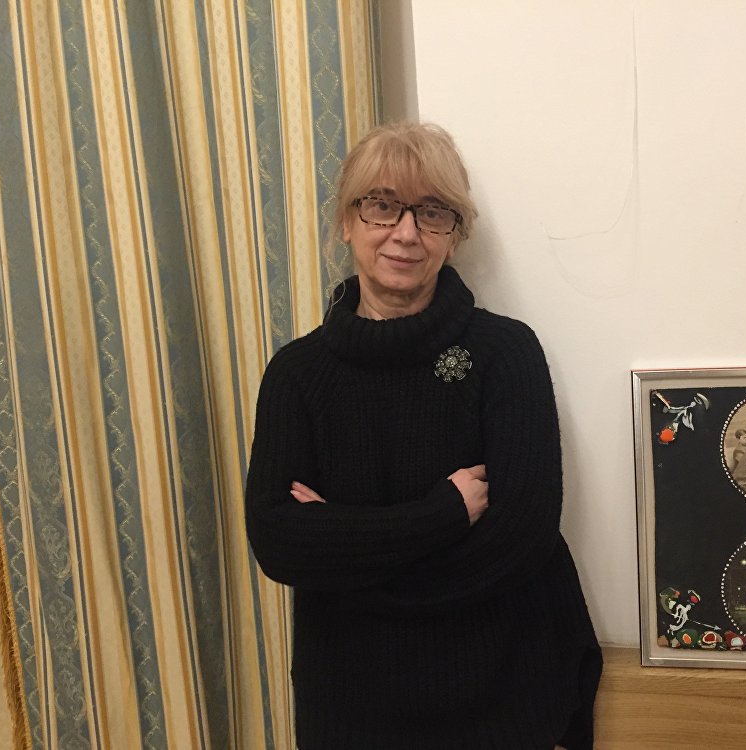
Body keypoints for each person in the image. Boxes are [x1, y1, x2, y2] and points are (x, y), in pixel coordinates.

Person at [244, 122, 602, 750]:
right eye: (382, 205)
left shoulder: (504, 353)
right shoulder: (297, 373)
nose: (406, 232)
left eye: (433, 212)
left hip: (501, 700)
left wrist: (346, 551)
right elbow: (279, 543)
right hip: (353, 707)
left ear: (454, 234)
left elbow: (522, 539)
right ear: (346, 222)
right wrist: (442, 515)